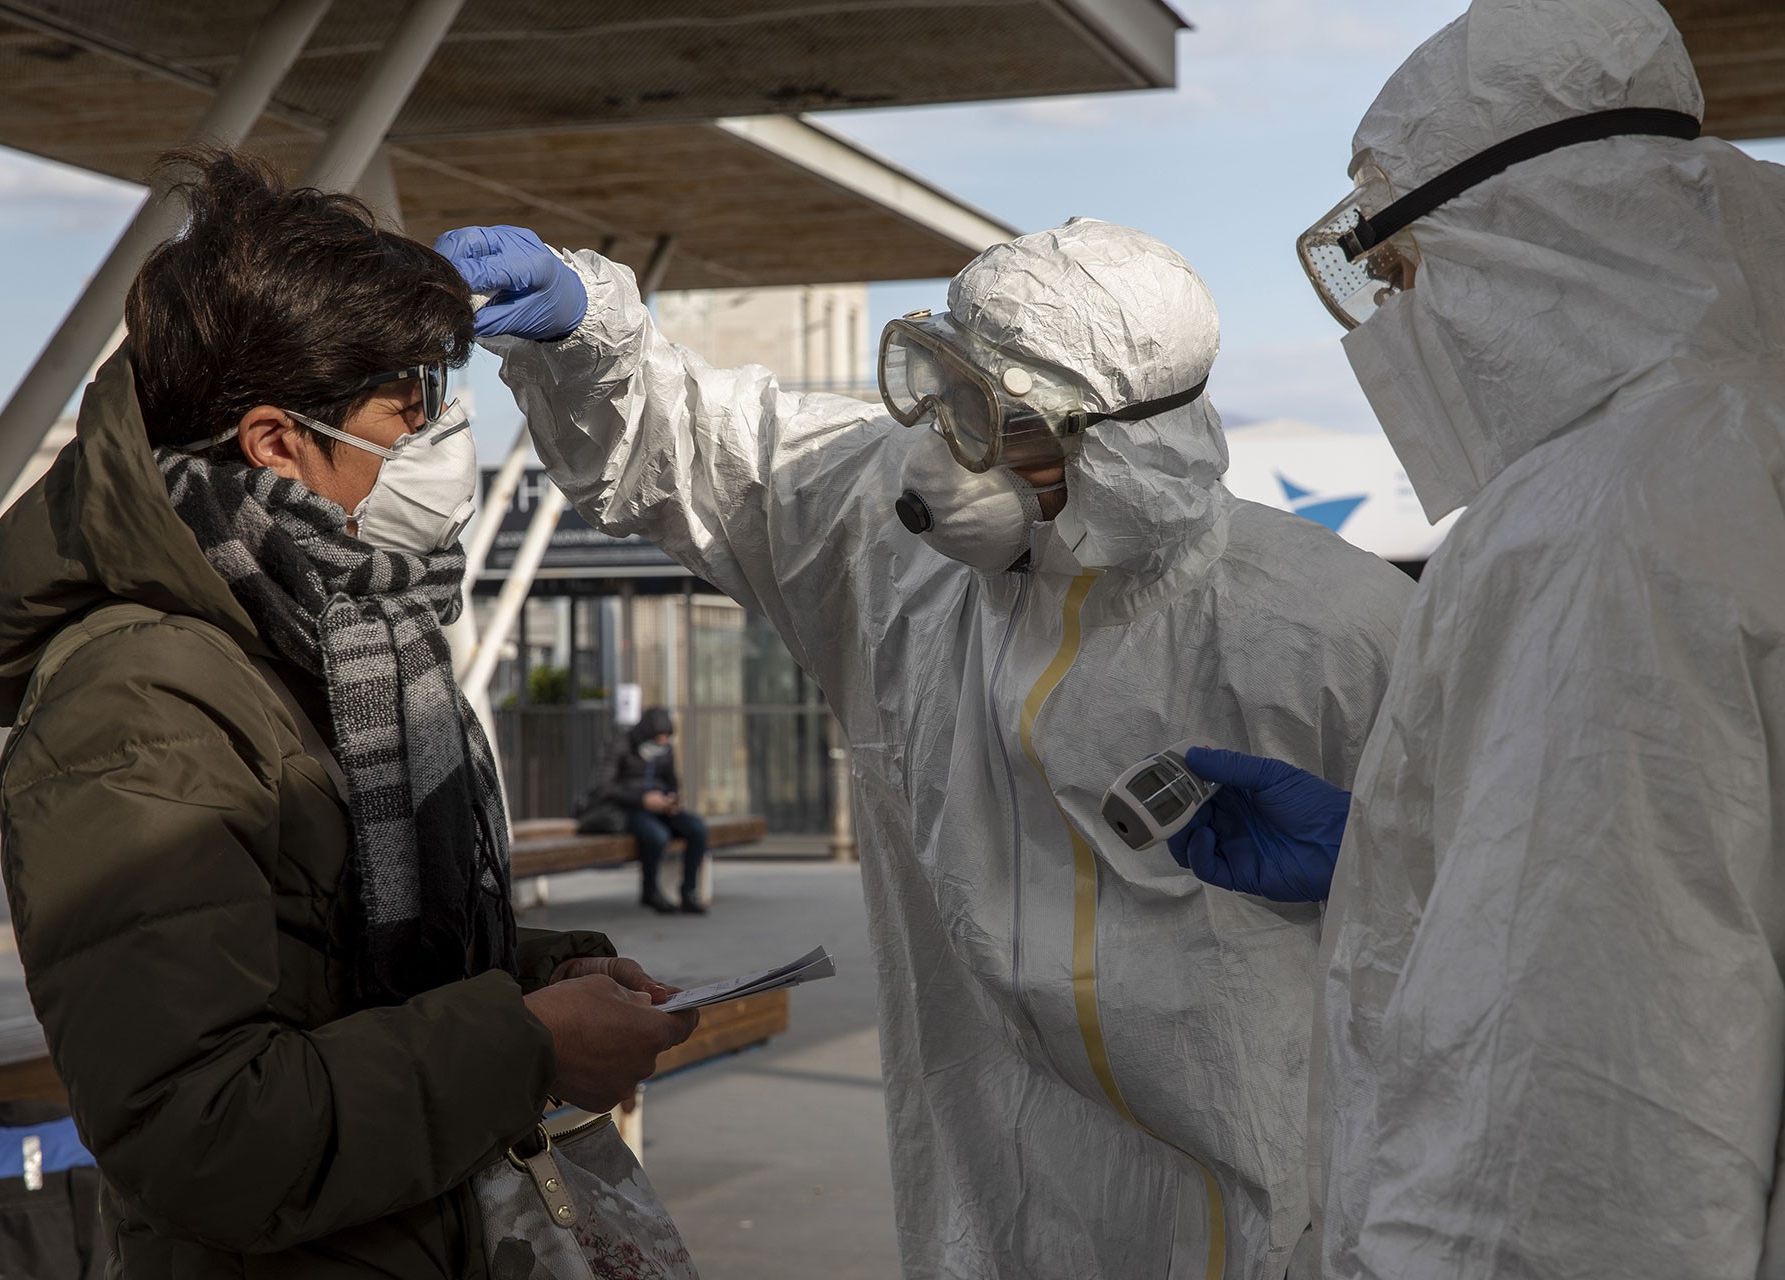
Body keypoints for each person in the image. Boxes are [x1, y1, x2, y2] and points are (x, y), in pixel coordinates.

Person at [435, 215, 1415, 1278]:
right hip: (987, 1186)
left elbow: (1493, 927)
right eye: (940, 389)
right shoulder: (900, 558)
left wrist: (1397, 868)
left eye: (994, 418)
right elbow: (719, 450)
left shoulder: (1329, 630)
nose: (943, 449)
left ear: (1121, 447)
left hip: (1255, 1205)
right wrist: (589, 338)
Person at [0, 148, 697, 1280]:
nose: (446, 444)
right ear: (276, 441)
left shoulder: (318, 627)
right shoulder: (141, 705)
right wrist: (525, 1043)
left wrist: (544, 978)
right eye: (414, 406)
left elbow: (328, 951)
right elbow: (206, 1130)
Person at [1168, 2, 1785, 1275]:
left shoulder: (1600, 516)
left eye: (1401, 276)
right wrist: (1400, 858)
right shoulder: (1727, 437)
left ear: (1523, 244)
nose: (1397, 328)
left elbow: (1585, 1091)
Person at [584, 707, 710, 914]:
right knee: (656, 836)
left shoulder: (665, 751)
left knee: (697, 829)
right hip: (631, 809)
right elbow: (604, 787)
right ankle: (650, 891)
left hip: (661, 808)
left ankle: (689, 891)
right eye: (657, 739)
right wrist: (642, 799)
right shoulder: (621, 745)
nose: (660, 744)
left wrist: (671, 799)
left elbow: (671, 781)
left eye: (665, 740)